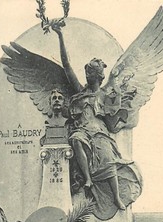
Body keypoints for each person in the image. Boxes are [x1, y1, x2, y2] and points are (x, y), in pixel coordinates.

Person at [52, 24, 136, 211]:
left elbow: (113, 116)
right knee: (75, 139)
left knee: (108, 158)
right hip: (82, 131)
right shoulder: (81, 92)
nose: (87, 74)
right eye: (87, 72)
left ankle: (116, 197)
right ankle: (88, 180)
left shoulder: (105, 95)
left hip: (100, 133)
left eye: (90, 72)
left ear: (98, 76)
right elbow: (67, 67)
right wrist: (60, 35)